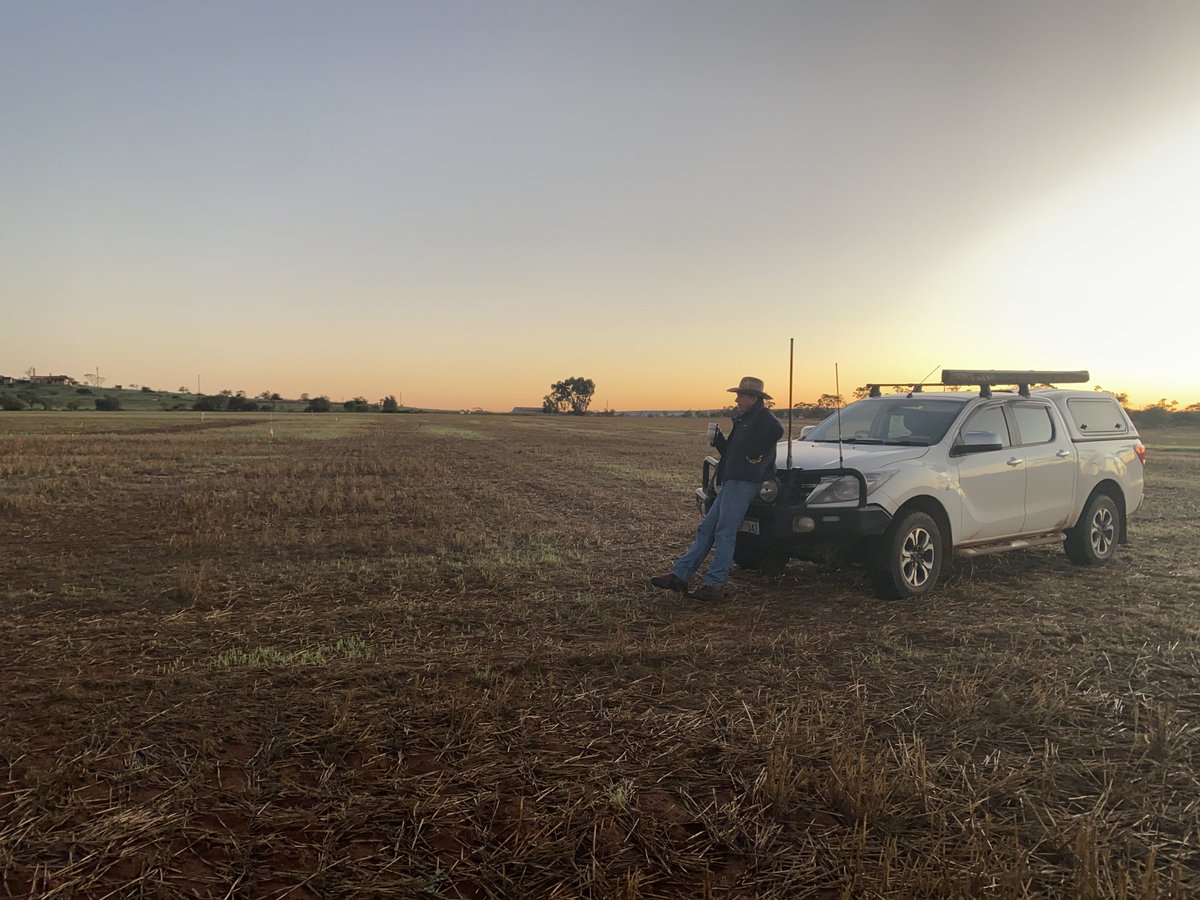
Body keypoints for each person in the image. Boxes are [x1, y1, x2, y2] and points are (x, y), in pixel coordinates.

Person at [650, 376, 784, 601]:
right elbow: (734, 452)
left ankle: (714, 585)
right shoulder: (745, 420)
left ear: (753, 397)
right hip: (733, 481)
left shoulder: (763, 418)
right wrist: (720, 441)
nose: (737, 399)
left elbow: (777, 430)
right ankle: (680, 576)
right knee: (707, 529)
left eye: (740, 395)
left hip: (744, 482)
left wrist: (756, 452)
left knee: (724, 531)